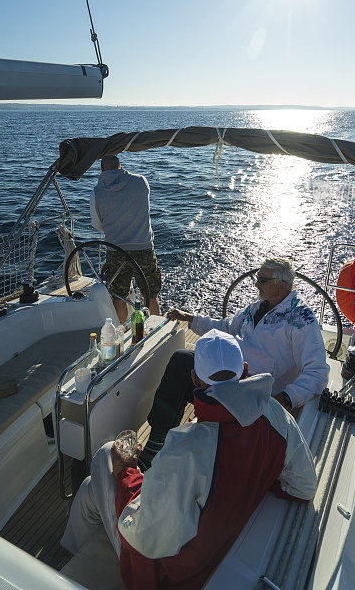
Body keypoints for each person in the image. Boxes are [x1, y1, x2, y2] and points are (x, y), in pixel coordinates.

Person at [61, 329, 317, 590]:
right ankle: (73, 560)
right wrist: (255, 476)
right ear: (244, 369)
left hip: (171, 577)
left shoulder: (187, 449)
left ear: (194, 378)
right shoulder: (276, 415)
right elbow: (303, 487)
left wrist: (125, 471)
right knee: (89, 489)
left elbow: (143, 534)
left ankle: (66, 572)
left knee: (106, 454)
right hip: (222, 544)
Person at [138, 257, 328, 469]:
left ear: (283, 285)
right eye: (257, 278)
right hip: (231, 375)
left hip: (256, 392)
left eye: (263, 280)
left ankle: (187, 446)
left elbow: (317, 372)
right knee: (183, 362)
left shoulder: (302, 319)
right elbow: (226, 328)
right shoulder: (257, 307)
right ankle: (158, 440)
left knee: (189, 374)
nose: (256, 284)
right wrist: (190, 318)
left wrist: (286, 397)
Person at [90, 154, 162, 323]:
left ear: (102, 170)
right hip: (143, 248)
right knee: (150, 294)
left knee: (118, 296)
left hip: (116, 250)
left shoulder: (96, 192)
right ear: (120, 166)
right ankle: (155, 332)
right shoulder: (141, 182)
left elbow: (97, 225)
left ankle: (122, 332)